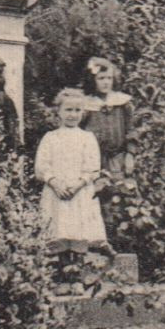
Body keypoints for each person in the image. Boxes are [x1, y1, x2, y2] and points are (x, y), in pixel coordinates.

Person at [34, 88, 110, 251]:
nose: (73, 114)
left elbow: (93, 168)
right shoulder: (50, 137)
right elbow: (41, 167)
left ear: (83, 112)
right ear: (59, 111)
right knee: (55, 237)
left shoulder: (87, 138)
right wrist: (55, 183)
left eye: (77, 110)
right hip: (56, 192)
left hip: (79, 193)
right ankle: (58, 270)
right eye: (68, 110)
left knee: (80, 237)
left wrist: (77, 185)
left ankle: (77, 266)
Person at [81, 57, 134, 190]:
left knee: (118, 193)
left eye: (109, 78)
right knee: (94, 194)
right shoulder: (86, 104)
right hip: (93, 160)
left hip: (118, 158)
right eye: (101, 78)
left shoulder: (122, 102)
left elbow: (131, 130)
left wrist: (130, 154)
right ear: (93, 80)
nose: (106, 82)